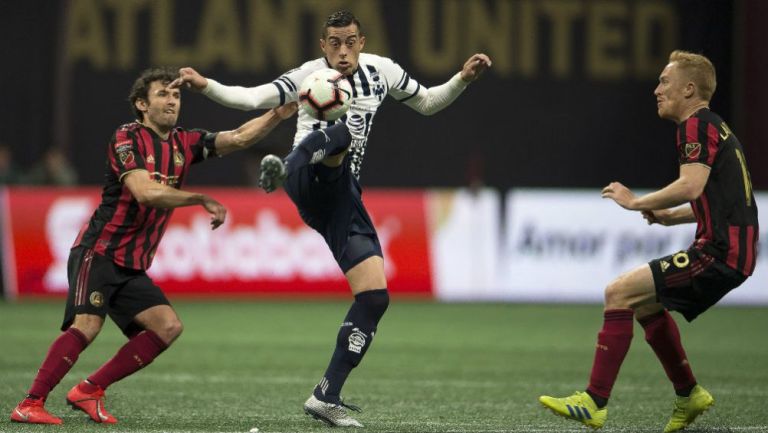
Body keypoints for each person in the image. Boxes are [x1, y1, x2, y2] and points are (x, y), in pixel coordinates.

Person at [172, 10, 491, 427]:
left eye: (350, 41)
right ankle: (285, 165)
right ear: (323, 45)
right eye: (334, 43)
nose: (342, 51)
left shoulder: (383, 71)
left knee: (375, 297)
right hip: (305, 176)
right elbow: (251, 97)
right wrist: (205, 85)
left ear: (362, 41)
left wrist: (462, 78)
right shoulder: (309, 75)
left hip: (342, 194)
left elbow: (429, 102)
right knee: (341, 131)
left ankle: (326, 395)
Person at [10, 67, 296, 425]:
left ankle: (89, 390)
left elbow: (237, 137)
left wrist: (277, 113)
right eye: (163, 94)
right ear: (141, 104)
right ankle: (30, 402)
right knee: (87, 325)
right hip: (98, 252)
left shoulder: (184, 143)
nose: (172, 100)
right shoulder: (126, 138)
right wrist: (199, 198)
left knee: (167, 326)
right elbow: (144, 191)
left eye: (176, 95)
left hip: (131, 265)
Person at [539, 51, 758, 432]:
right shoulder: (717, 128)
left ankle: (593, 401)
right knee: (642, 304)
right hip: (733, 252)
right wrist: (672, 217)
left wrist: (635, 201)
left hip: (720, 253)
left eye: (664, 82)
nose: (657, 90)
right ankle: (688, 393)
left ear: (689, 89)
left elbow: (691, 185)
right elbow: (724, 200)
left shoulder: (694, 126)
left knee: (618, 293)